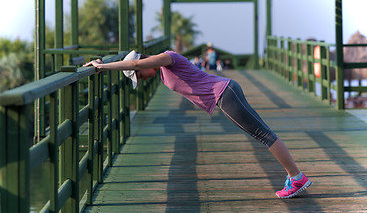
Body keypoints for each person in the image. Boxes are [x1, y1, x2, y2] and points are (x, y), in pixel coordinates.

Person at [83, 50, 312, 199]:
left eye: (137, 75)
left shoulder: (166, 58)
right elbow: (133, 62)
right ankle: (294, 175)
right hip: (226, 91)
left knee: (264, 136)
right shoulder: (163, 74)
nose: (141, 80)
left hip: (224, 94)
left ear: (141, 64)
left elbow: (133, 62)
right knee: (264, 134)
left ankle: (296, 176)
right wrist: (104, 60)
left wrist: (101, 68)